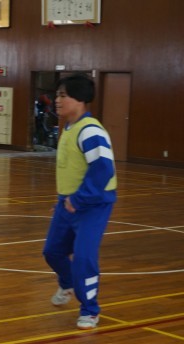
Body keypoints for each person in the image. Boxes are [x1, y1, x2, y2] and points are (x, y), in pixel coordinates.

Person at [43, 73, 117, 330]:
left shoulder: (91, 131)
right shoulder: (68, 128)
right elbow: (71, 169)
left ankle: (90, 310)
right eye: (57, 95)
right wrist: (63, 199)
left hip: (92, 206)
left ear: (80, 99)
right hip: (68, 202)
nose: (57, 100)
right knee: (52, 251)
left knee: (84, 257)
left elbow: (103, 169)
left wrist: (79, 198)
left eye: (63, 95)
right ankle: (68, 284)